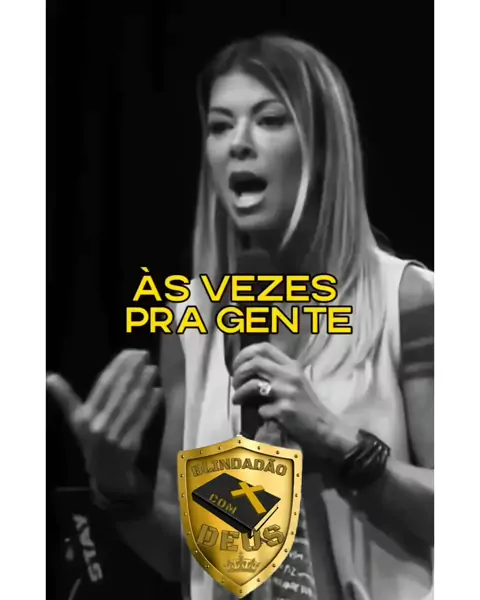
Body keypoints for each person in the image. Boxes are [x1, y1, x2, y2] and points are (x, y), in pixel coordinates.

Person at [47, 34, 434, 600]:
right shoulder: (191, 322)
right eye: (220, 126)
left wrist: (341, 442)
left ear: (324, 146)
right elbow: (185, 558)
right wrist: (117, 486)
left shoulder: (409, 300)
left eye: (269, 120)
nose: (238, 144)